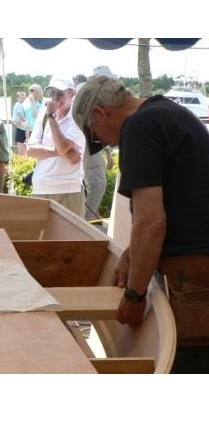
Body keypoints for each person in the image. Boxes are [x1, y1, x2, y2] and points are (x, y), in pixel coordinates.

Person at [72, 75, 209, 373]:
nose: (105, 143)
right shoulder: (166, 111)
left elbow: (153, 222)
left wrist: (135, 295)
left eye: (96, 136)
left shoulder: (139, 127)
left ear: (100, 112)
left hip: (193, 279)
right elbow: (183, 198)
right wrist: (134, 250)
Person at [26, 76, 85, 217]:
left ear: (72, 93)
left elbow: (63, 146)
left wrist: (51, 117)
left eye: (60, 93)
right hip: (41, 189)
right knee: (41, 239)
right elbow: (30, 150)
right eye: (52, 93)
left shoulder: (79, 116)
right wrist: (60, 152)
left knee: (71, 239)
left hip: (69, 190)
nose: (55, 98)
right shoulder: (44, 113)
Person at [73, 74, 114, 221]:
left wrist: (108, 151)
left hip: (90, 144)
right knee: (97, 185)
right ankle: (84, 221)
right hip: (88, 145)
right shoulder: (85, 91)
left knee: (91, 186)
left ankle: (89, 220)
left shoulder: (84, 93)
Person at [12, 91, 28, 156]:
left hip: (17, 121)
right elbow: (20, 113)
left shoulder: (18, 104)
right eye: (21, 98)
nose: (23, 99)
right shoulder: (19, 105)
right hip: (18, 121)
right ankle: (27, 138)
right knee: (28, 127)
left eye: (24, 98)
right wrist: (24, 119)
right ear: (17, 98)